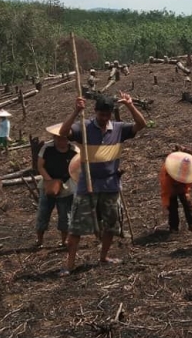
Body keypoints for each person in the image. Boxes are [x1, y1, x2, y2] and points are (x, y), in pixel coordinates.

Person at [59, 92, 146, 273]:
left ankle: (104, 256)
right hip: (87, 184)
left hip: (110, 184)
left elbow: (141, 124)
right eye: (101, 115)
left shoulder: (118, 129)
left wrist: (130, 105)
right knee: (76, 226)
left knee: (111, 224)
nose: (104, 118)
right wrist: (76, 111)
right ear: (95, 112)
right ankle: (69, 265)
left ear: (111, 114)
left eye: (107, 115)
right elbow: (63, 132)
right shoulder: (83, 127)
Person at [35, 124, 79, 249]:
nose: (62, 141)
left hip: (67, 186)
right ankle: (39, 240)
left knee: (65, 216)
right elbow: (40, 166)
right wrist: (50, 181)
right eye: (59, 138)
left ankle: (64, 241)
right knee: (43, 213)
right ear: (54, 138)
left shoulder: (74, 150)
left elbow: (78, 168)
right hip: (48, 184)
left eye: (64, 138)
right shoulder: (47, 148)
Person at [159, 151, 192, 234]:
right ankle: (174, 227)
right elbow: (165, 192)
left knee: (187, 204)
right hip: (171, 188)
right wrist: (166, 203)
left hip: (182, 187)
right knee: (172, 207)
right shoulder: (167, 178)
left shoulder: (187, 171)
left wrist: (186, 192)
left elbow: (188, 182)